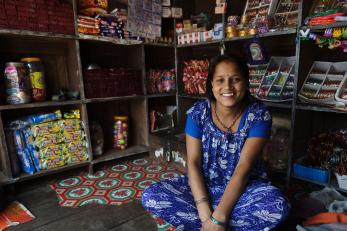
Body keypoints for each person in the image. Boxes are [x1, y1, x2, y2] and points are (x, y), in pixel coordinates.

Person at [142, 54, 290, 231]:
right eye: (220, 80)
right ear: (211, 85)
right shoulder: (198, 113)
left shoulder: (258, 115)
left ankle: (214, 227)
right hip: (203, 188)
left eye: (235, 79)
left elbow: (244, 167)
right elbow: (193, 163)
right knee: (151, 196)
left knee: (277, 205)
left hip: (244, 191)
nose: (227, 87)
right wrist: (206, 214)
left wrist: (219, 217)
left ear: (245, 82)